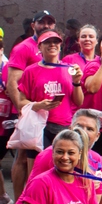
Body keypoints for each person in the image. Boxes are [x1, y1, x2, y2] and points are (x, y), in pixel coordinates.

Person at [17, 30, 85, 158]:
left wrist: (77, 82)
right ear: (39, 47)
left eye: (55, 42)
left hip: (63, 125)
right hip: (38, 126)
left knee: (61, 166)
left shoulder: (69, 69)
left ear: (60, 46)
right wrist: (38, 105)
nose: (52, 45)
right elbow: (21, 102)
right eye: (47, 42)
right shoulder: (30, 71)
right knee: (36, 166)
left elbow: (79, 102)